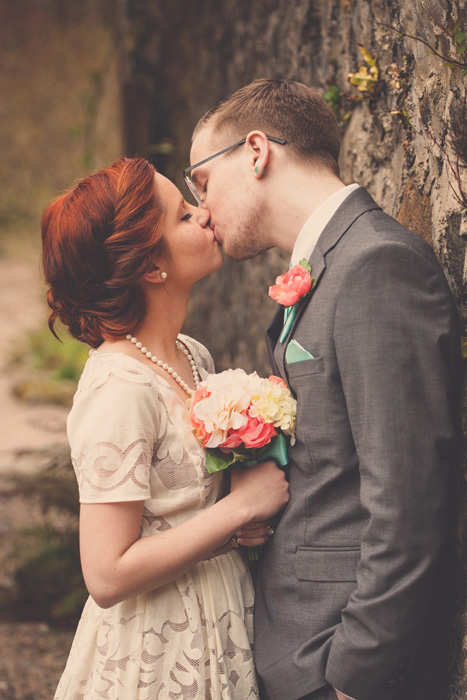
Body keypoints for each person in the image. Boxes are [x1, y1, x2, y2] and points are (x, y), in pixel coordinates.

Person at [187, 79, 461, 700]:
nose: (200, 210)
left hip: (333, 666)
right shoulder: (326, 266)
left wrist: (356, 675)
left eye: (200, 182)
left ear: (256, 153)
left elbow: (409, 496)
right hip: (299, 650)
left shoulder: (376, 264)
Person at [42, 156, 290, 700]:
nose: (205, 215)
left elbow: (181, 514)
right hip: (158, 645)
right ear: (150, 265)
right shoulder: (119, 387)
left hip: (223, 613)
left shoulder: (190, 354)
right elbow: (106, 575)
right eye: (183, 216)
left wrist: (231, 527)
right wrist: (239, 508)